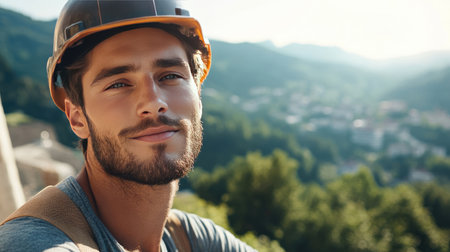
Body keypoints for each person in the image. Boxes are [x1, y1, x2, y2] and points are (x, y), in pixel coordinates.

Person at [0, 0, 256, 251]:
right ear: (77, 118)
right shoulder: (32, 243)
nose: (154, 103)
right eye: (119, 84)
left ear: (198, 94)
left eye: (170, 76)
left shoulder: (190, 239)